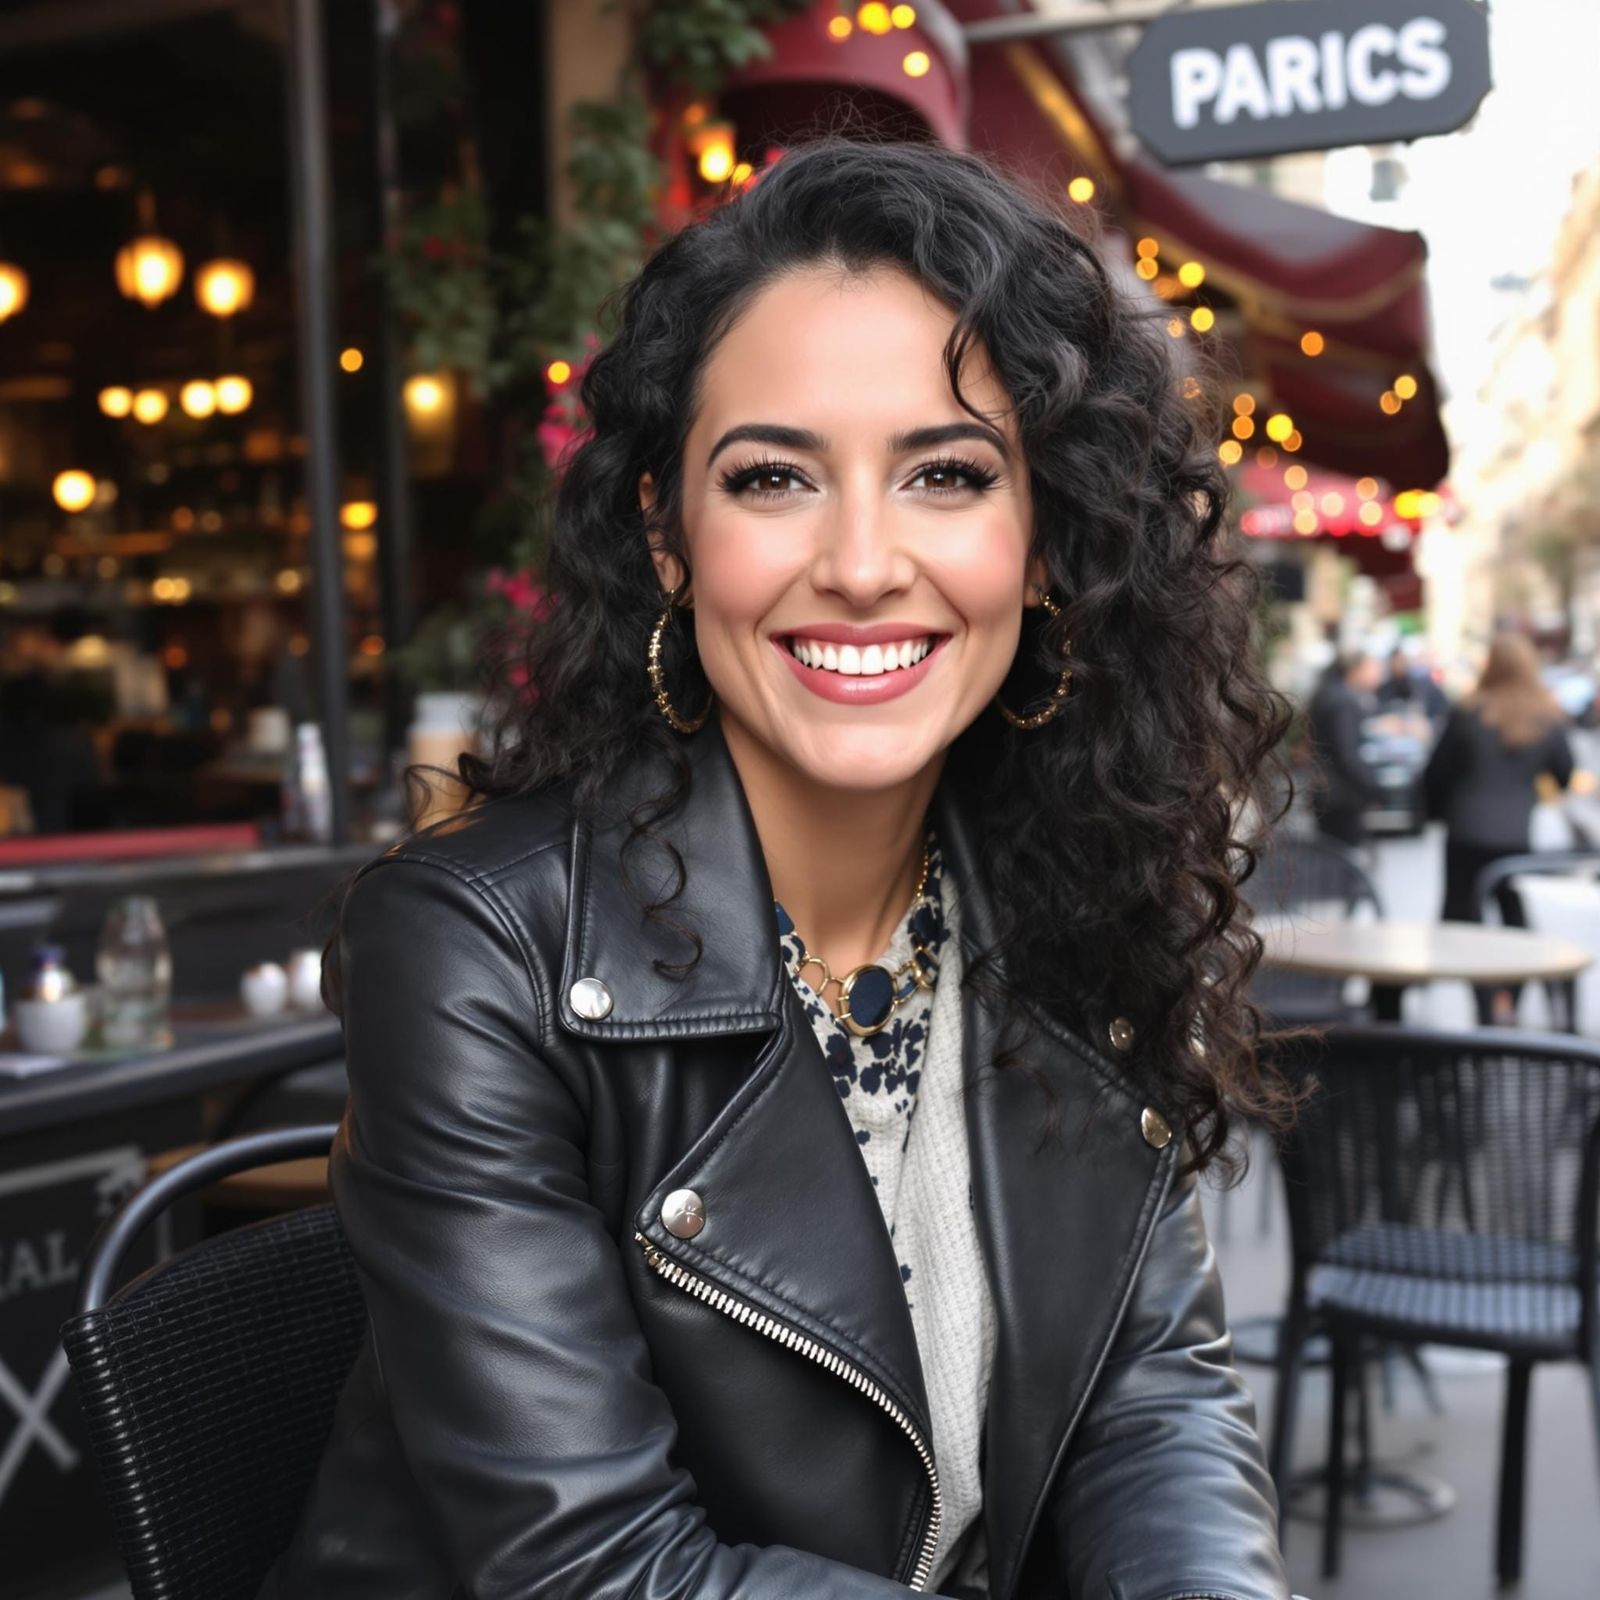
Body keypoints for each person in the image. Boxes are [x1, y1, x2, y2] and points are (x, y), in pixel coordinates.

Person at [262, 141, 1294, 1600]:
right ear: (670, 540)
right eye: (773, 478)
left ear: (1049, 543)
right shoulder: (478, 948)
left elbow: (1155, 1397)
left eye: (947, 473)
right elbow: (602, 1571)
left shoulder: (1075, 888)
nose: (864, 562)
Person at [1424, 631, 1575, 949]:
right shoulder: (1546, 717)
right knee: (1515, 922)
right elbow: (1565, 774)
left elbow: (1436, 773)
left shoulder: (1468, 711)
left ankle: (1485, 995)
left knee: (1463, 923)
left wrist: (1439, 813)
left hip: (1466, 829)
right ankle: (1506, 996)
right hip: (1517, 835)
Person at [1306, 652, 1384, 847]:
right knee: (1342, 856)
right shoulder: (1343, 702)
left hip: (1328, 790)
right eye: (1371, 668)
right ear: (1355, 671)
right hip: (1341, 795)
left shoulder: (1327, 694)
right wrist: (1372, 788)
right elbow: (1347, 754)